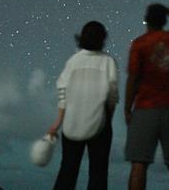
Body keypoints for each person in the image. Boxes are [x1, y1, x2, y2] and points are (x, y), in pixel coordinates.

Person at [125, 4, 169, 190]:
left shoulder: (139, 44)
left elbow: (133, 77)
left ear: (146, 20)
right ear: (164, 21)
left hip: (144, 108)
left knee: (139, 164)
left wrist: (127, 108)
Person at [47, 21, 119, 190]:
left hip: (72, 122)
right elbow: (112, 95)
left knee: (67, 171)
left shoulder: (73, 61)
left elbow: (62, 90)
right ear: (102, 39)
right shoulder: (108, 61)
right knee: (98, 174)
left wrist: (58, 122)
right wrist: (108, 119)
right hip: (100, 123)